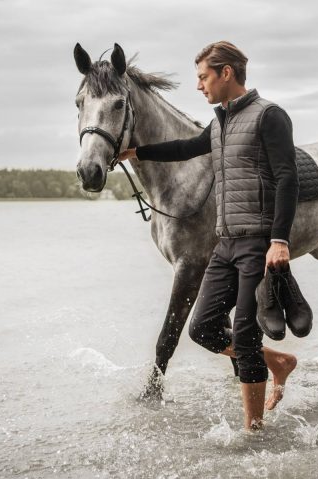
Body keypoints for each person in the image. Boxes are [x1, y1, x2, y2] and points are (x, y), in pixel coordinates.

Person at [118, 41, 299, 431]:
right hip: (224, 242)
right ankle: (279, 362)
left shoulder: (270, 116)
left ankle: (253, 432)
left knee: (245, 334)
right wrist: (136, 153)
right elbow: (185, 147)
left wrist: (280, 240)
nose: (199, 85)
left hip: (256, 239)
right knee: (202, 327)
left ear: (226, 73)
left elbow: (287, 178)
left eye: (203, 77)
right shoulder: (219, 123)